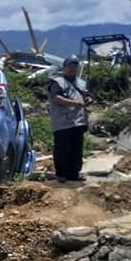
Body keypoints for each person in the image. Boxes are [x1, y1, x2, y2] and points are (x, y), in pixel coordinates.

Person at [48, 55, 91, 183]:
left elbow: (87, 95)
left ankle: (74, 173)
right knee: (62, 149)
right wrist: (75, 103)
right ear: (64, 68)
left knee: (76, 149)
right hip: (63, 122)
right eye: (70, 66)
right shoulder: (57, 82)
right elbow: (55, 98)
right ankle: (61, 174)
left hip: (78, 121)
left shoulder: (81, 83)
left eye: (75, 66)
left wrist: (88, 100)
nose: (72, 69)